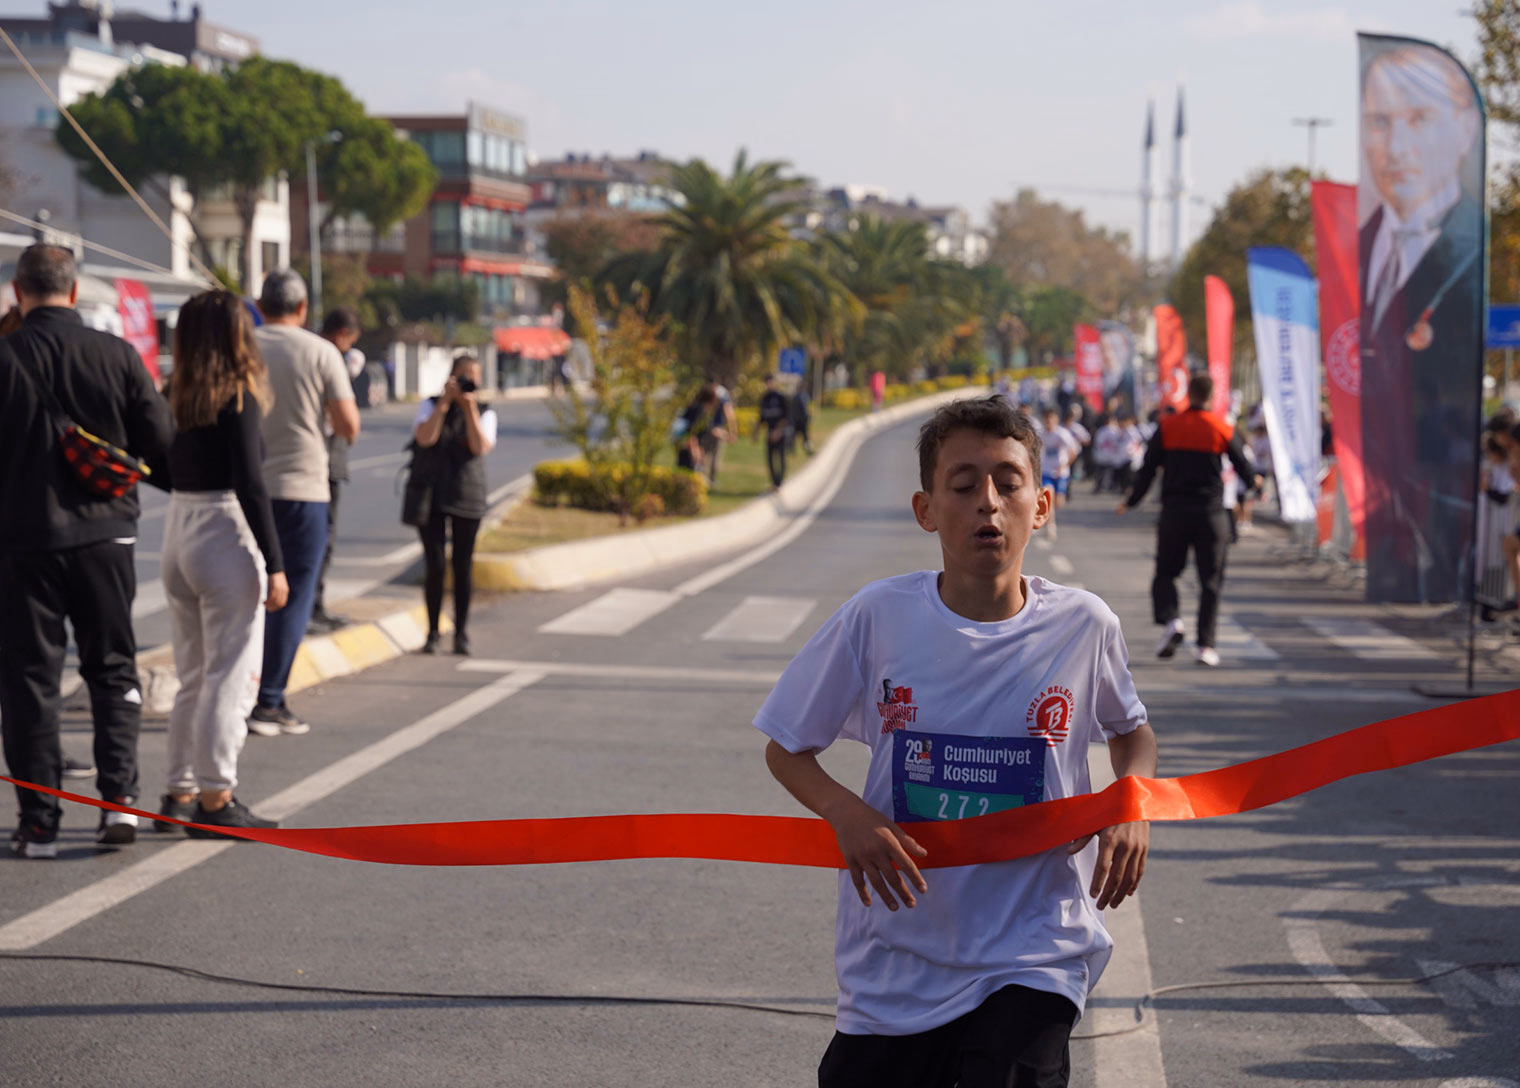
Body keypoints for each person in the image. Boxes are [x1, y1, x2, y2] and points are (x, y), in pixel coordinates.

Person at [757, 395, 1156, 1088]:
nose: (988, 503)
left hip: (1035, 947)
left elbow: (1131, 732)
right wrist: (848, 814)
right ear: (926, 509)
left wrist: (1131, 802)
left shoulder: (1084, 625)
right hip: (898, 952)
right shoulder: (878, 617)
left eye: (1008, 483)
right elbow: (786, 746)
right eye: (964, 486)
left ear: (1042, 505)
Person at [0, 244, 173, 857]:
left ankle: (39, 823)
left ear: (18, 291)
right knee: (112, 667)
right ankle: (118, 801)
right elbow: (162, 445)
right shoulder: (117, 355)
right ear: (73, 292)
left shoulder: (4, 355)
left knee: (30, 681)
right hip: (107, 536)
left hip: (23, 542)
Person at [153, 291, 287, 836]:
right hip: (223, 531)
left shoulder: (175, 394)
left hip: (178, 528)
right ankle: (216, 797)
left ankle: (179, 791)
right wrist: (275, 564)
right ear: (237, 335)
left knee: (192, 676)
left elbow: (155, 463)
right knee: (229, 676)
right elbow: (251, 483)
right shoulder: (237, 396)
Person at [1359, 43, 1484, 603]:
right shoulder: (1360, 246)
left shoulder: (1470, 253)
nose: (1396, 148)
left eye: (1419, 119)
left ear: (1465, 129)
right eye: (1379, 123)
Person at [248, 270, 359, 737]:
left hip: (246, 486)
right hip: (303, 488)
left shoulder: (243, 346)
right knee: (294, 595)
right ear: (302, 308)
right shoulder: (321, 352)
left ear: (260, 305)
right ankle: (270, 699)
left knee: (245, 594)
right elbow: (348, 425)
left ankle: (239, 692)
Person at [1117, 373, 1259, 668]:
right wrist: (1255, 484)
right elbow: (1243, 466)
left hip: (1175, 513)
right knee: (1211, 582)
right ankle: (1206, 646)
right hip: (1212, 515)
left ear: (1189, 394)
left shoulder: (1168, 426)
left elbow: (1148, 468)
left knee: (1166, 573)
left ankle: (1172, 621)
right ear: (1211, 396)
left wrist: (1131, 501)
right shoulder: (1221, 427)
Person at [412, 353, 498, 656]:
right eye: (462, 376)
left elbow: (480, 446)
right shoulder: (430, 405)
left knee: (462, 565)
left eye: (472, 377)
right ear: (450, 377)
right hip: (432, 493)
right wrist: (444, 404)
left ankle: (461, 633)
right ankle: (433, 632)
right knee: (435, 565)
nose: (467, 382)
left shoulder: (485, 412)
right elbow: (425, 438)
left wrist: (469, 408)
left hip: (467, 493)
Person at [309, 306, 363, 634]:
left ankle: (310, 606)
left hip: (312, 461)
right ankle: (311, 607)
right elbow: (345, 424)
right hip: (323, 462)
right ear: (342, 334)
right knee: (320, 539)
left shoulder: (310, 353)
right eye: (349, 340)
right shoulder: (327, 359)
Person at [1038, 406, 1078, 540]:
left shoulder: (1062, 434)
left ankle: (1051, 517)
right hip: (1046, 471)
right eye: (1046, 419)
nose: (1049, 421)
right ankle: (1051, 526)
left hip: (1061, 473)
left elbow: (1074, 451)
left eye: (1051, 418)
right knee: (1048, 498)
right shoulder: (1041, 434)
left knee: (1058, 502)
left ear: (1056, 419)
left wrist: (1064, 465)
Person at [755, 374, 790, 489]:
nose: (768, 385)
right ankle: (774, 482)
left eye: (770, 382)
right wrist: (756, 432)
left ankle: (779, 482)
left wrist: (778, 431)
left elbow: (786, 416)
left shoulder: (780, 397)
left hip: (781, 432)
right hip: (770, 432)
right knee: (769, 459)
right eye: (766, 382)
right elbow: (762, 417)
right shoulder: (765, 398)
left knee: (781, 458)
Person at [676, 387, 721, 473]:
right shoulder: (698, 410)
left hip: (695, 449)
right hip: (689, 450)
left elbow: (702, 432)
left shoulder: (703, 411)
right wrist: (694, 450)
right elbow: (691, 432)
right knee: (687, 473)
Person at [789, 381, 815, 455]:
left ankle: (794, 450)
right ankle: (806, 450)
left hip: (797, 420)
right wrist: (809, 418)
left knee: (799, 436)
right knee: (804, 436)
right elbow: (806, 409)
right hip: (801, 420)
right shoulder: (804, 396)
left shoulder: (796, 397)